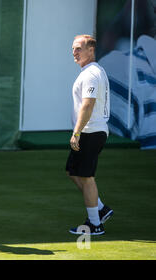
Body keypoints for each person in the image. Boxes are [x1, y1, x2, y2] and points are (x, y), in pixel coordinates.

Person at [67, 34, 114, 236]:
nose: (74, 52)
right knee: (73, 171)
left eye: (79, 48)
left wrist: (76, 132)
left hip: (91, 131)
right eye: (73, 49)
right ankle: (101, 209)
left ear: (91, 50)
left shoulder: (91, 73)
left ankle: (95, 224)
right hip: (89, 131)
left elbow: (88, 104)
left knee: (87, 177)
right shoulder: (91, 71)